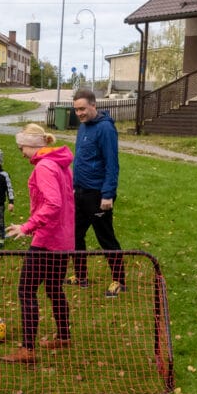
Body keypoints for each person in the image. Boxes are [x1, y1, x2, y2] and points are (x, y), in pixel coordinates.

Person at [1, 124, 75, 364]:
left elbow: (53, 204)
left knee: (26, 290)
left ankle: (27, 349)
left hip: (47, 240)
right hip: (64, 239)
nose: (21, 152)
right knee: (54, 289)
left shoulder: (44, 167)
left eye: (21, 146)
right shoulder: (61, 164)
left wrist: (27, 227)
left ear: (31, 145)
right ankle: (64, 336)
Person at [69, 88, 125, 298]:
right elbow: (80, 159)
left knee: (105, 238)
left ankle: (119, 280)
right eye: (76, 110)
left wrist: (108, 194)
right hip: (81, 193)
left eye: (82, 108)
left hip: (98, 195)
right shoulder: (83, 127)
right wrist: (74, 186)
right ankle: (81, 276)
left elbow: (112, 164)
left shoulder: (105, 129)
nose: (79, 113)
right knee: (75, 234)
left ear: (94, 105)